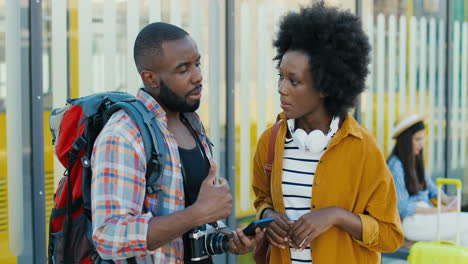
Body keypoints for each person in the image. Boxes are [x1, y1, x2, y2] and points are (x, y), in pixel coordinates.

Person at [91, 22, 263, 263]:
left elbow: (191, 216)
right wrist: (197, 214)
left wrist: (225, 237)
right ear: (150, 78)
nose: (198, 76)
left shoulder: (191, 123)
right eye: (183, 69)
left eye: (197, 64)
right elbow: (108, 237)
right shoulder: (123, 135)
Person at [252, 3, 404, 264]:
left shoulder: (363, 147)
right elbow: (262, 201)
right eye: (281, 77)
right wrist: (268, 215)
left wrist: (337, 216)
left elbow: (390, 236)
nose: (281, 88)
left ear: (325, 86)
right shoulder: (271, 140)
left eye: (294, 80)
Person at [388, 113, 468, 246]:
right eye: (417, 139)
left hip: (426, 216)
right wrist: (438, 210)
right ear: (406, 141)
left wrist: (448, 200)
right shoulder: (396, 166)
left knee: (464, 238)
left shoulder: (415, 160)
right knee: (465, 222)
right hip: (412, 222)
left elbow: (431, 189)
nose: (421, 144)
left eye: (422, 139)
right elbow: (402, 207)